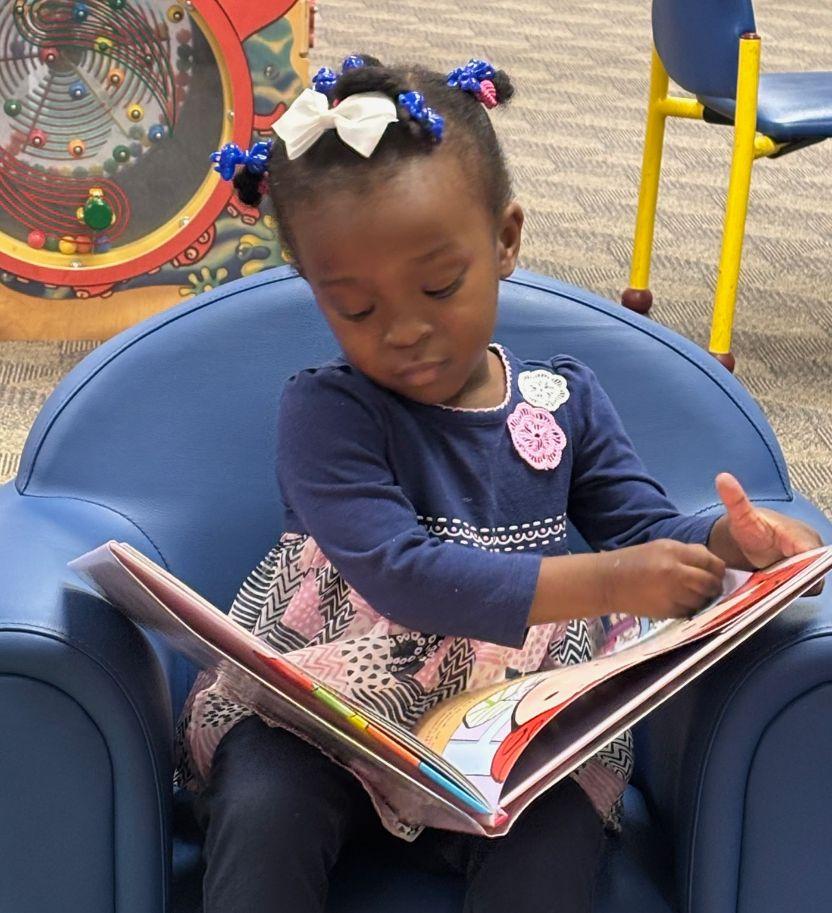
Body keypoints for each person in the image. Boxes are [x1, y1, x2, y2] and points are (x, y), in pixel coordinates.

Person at [175, 54, 823, 913]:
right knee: (265, 807)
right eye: (356, 309)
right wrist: (611, 581)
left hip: (507, 720)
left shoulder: (565, 398)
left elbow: (641, 527)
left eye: (440, 285)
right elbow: (404, 573)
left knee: (556, 841)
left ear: (506, 240)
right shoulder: (327, 411)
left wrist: (727, 547)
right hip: (331, 708)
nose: (404, 329)